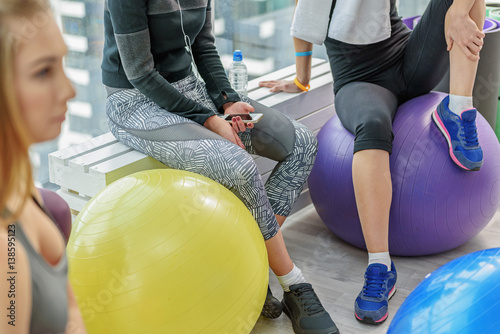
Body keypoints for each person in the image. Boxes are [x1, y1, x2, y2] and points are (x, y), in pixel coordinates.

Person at [101, 0, 338, 333]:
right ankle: (294, 284)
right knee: (239, 166)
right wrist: (210, 119)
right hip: (136, 102)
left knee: (300, 143)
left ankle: (252, 269)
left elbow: (203, 45)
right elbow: (139, 71)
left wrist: (225, 99)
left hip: (191, 92)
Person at [260, 0, 485, 325]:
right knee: (373, 126)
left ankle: (459, 108)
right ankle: (380, 265)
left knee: (463, 1)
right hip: (360, 81)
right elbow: (303, 19)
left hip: (409, 61)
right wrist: (301, 78)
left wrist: (458, 12)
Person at [0, 0, 87, 333]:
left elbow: (71, 308)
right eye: (43, 71)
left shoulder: (17, 171)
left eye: (62, 65)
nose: (69, 90)